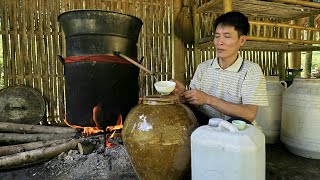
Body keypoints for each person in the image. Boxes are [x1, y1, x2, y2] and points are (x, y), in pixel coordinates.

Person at [173, 11, 268, 126]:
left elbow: (249, 114)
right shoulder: (203, 68)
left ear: (242, 40)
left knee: (240, 121)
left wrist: (208, 99)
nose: (219, 42)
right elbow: (195, 104)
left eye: (227, 36)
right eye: (217, 36)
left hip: (234, 129)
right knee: (184, 113)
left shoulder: (250, 70)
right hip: (207, 124)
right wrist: (183, 94)